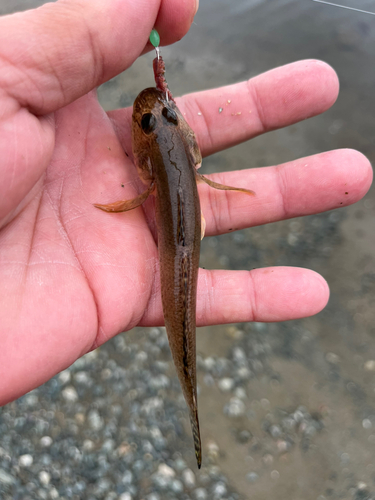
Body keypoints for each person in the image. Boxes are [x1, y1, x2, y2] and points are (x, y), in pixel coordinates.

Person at [0, 0, 371, 407]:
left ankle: (193, 400)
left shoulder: (149, 157)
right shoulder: (177, 148)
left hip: (174, 234)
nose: (159, 116)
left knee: (185, 320)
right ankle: (191, 401)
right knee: (183, 317)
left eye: (165, 119)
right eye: (152, 123)